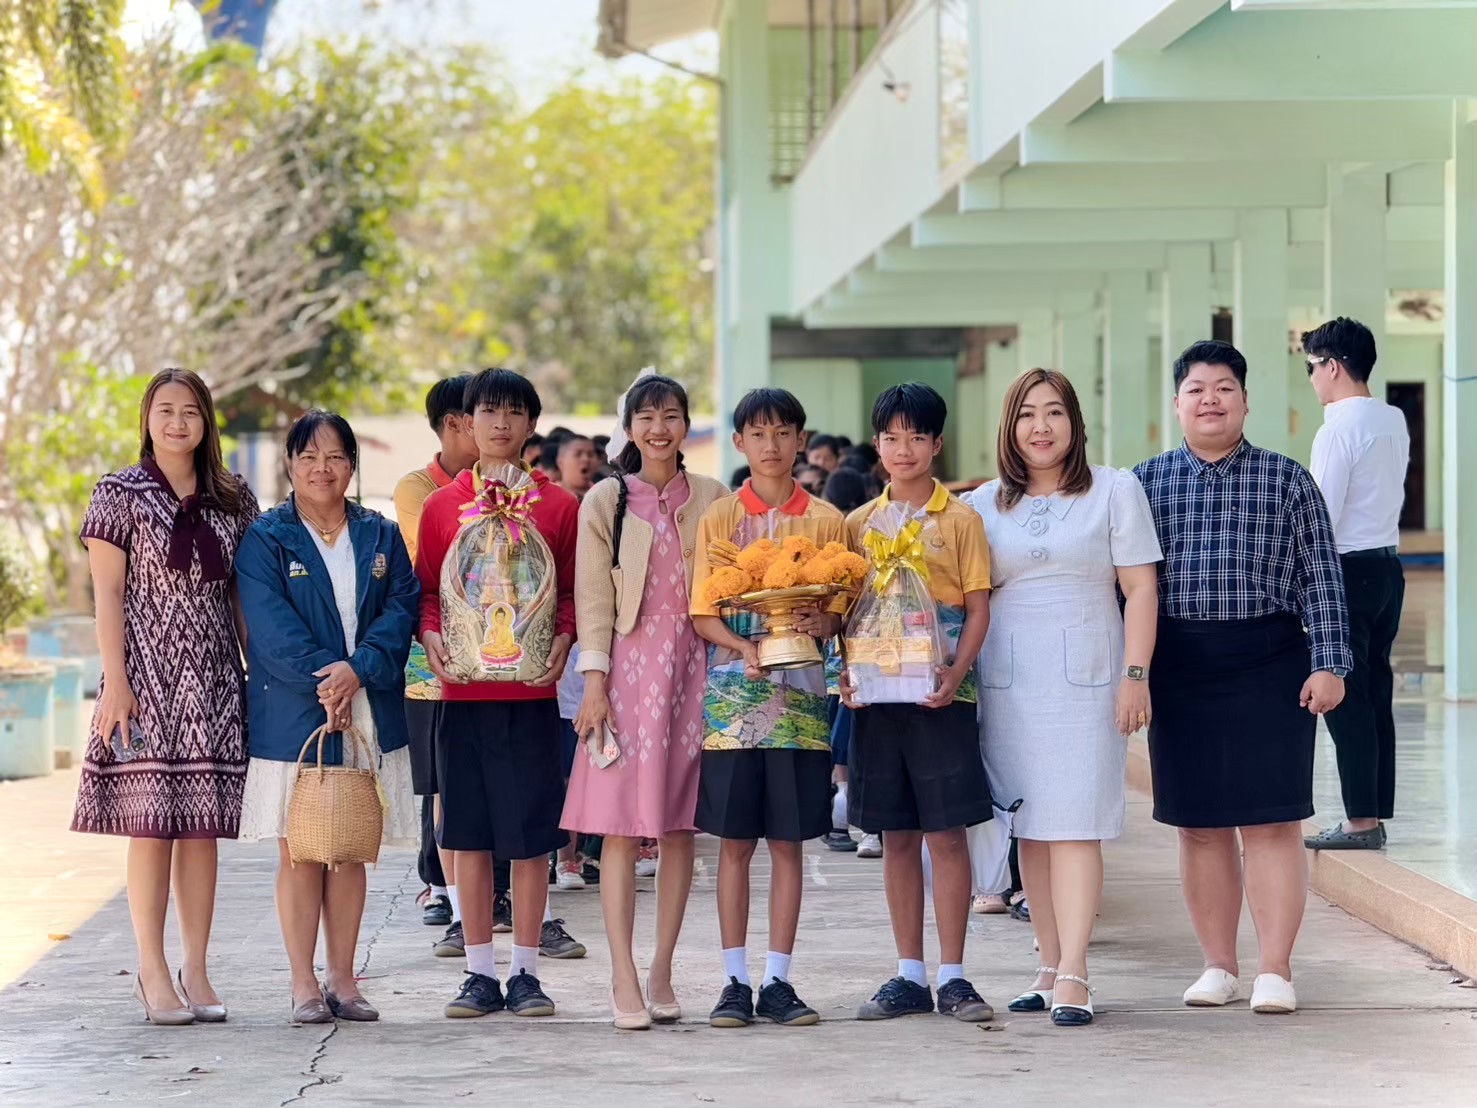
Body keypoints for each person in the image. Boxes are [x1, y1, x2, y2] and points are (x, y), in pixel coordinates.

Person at [1135, 340, 1351, 1016]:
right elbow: (1126, 589)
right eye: (1197, 389)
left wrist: (1330, 661)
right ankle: (1218, 966)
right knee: (1198, 826)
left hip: (1270, 660)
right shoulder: (1142, 484)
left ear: (1245, 401)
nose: (1211, 400)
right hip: (1180, 664)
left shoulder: (1287, 480)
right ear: (1176, 403)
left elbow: (1322, 575)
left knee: (1271, 822)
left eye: (1224, 388)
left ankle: (1274, 970)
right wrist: (1128, 673)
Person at [965, 369, 1162, 1026]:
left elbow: (1140, 589)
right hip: (1008, 682)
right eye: (1027, 414)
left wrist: (1135, 675)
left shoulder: (1113, 490)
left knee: (1076, 823)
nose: (1040, 427)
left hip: (1089, 682)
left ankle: (1076, 971)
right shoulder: (982, 504)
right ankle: (1046, 966)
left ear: (1075, 422)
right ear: (1009, 426)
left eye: (1054, 412)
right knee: (1030, 826)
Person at [73, 368, 260, 1026]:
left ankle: (196, 967)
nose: (178, 422)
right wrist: (116, 682)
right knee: (151, 826)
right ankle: (151, 970)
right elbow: (108, 596)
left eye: (190, 411)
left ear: (207, 422)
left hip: (213, 678)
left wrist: (257, 673)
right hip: (145, 678)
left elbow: (242, 594)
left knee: (202, 830)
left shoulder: (233, 497)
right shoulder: (118, 493)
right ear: (147, 419)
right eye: (165, 410)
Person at [235, 410, 420, 1024]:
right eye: (309, 456)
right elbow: (269, 629)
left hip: (365, 705)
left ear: (352, 466)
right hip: (296, 713)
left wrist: (358, 669)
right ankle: (302, 984)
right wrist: (330, 677)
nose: (323, 468)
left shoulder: (380, 534)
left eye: (336, 456)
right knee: (301, 850)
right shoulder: (267, 538)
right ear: (290, 464)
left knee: (350, 846)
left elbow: (402, 608)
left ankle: (343, 979)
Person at [562, 373, 729, 1029]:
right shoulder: (607, 498)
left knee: (680, 824)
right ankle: (623, 976)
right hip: (626, 675)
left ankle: (662, 968)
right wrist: (594, 682)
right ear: (629, 427)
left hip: (696, 672)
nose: (659, 428)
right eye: (647, 417)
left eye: (671, 415)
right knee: (620, 826)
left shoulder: (713, 496)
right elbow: (592, 598)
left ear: (686, 425)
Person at [416, 368, 583, 1019]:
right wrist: (431, 636)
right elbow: (427, 592)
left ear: (531, 423)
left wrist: (564, 638)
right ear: (468, 421)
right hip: (463, 696)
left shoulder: (557, 506)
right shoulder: (442, 507)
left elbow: (570, 591)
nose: (501, 423)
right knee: (471, 837)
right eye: (489, 410)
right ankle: (479, 972)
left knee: (532, 839)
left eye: (515, 411)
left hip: (531, 697)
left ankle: (525, 973)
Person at [690, 388, 847, 1028]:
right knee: (733, 845)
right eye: (758, 433)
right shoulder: (719, 519)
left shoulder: (828, 521)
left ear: (801, 440)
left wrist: (824, 621)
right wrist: (742, 646)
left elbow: (843, 612)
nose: (772, 445)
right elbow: (702, 612)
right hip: (732, 704)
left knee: (788, 844)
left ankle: (779, 980)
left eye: (784, 432)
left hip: (802, 703)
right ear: (740, 443)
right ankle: (734, 980)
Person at [841, 383, 995, 1024]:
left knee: (947, 833)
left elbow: (980, 607)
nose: (903, 449)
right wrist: (845, 674)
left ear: (937, 444)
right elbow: (845, 611)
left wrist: (956, 673)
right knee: (896, 833)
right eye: (892, 437)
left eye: (917, 437)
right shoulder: (858, 524)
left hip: (939, 697)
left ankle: (954, 975)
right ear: (877, 445)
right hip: (877, 700)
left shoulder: (959, 520)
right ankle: (909, 973)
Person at [1301, 318, 1409, 851]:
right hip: (1388, 569)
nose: (1311, 380)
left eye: (1311, 368)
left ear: (1332, 366)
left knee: (1345, 695)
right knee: (1376, 693)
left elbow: (1320, 516)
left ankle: (1361, 823)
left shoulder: (1337, 428)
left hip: (1346, 573)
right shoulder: (1392, 419)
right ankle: (1374, 811)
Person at [393, 375, 478, 938]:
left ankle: (482, 890)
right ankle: (440, 886)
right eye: (480, 416)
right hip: (433, 649)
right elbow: (444, 558)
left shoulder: (509, 483)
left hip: (495, 652)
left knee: (471, 771)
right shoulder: (417, 489)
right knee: (438, 777)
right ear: (453, 424)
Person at [819, 466, 873, 854]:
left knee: (841, 741)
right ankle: (865, 825)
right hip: (862, 662)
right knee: (853, 737)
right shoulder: (861, 527)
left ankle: (842, 810)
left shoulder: (834, 531)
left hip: (840, 665)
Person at [556, 434, 599, 500]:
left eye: (590, 455)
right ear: (560, 462)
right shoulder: (549, 495)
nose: (586, 459)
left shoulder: (604, 494)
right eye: (578, 454)